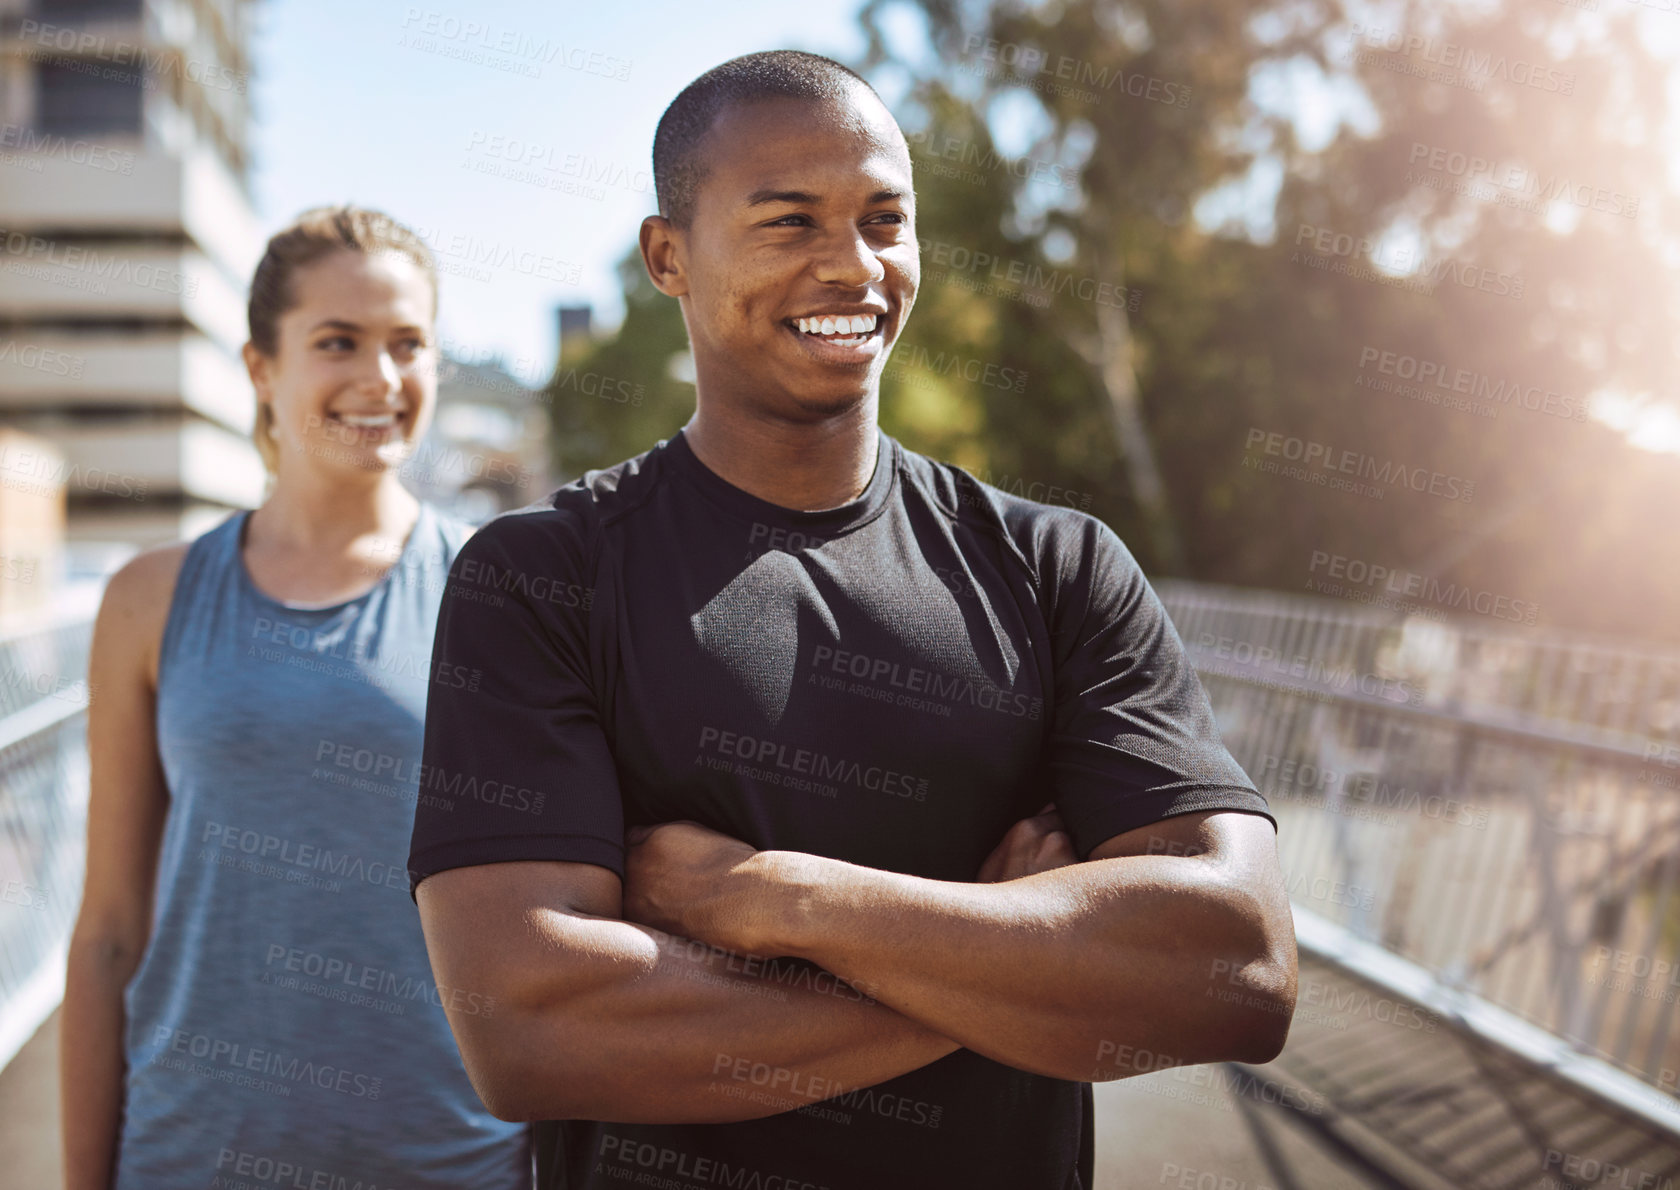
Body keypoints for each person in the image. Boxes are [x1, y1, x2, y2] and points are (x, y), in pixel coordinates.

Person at [408, 51, 1297, 1190]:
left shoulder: (1058, 567)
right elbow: (533, 1027)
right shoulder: (541, 578)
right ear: (667, 257)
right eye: (788, 223)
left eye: (886, 219)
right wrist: (1009, 946)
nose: (854, 264)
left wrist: (773, 898)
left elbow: (1238, 967)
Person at [60, 205, 533, 1189]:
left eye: (409, 344)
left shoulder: (499, 593)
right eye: (337, 342)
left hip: (447, 1160)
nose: (379, 378)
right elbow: (109, 928)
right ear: (261, 368)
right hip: (190, 1153)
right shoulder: (149, 599)